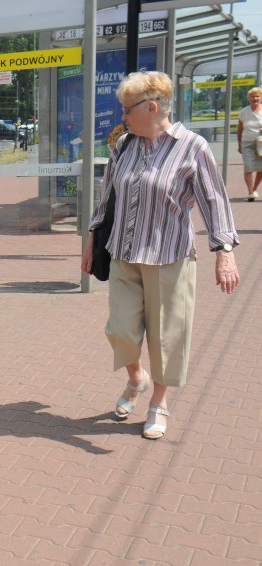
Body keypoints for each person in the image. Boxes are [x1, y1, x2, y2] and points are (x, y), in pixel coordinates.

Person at [81, 71, 240, 440]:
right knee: (119, 329)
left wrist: (224, 251)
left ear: (151, 108)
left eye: (127, 109)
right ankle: (136, 378)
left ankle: (159, 403)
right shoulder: (124, 145)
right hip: (123, 251)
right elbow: (108, 197)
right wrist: (92, 239)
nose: (122, 116)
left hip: (170, 256)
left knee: (167, 337)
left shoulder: (192, 147)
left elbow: (213, 200)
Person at [236, 87, 262, 201]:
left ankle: (255, 189)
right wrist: (239, 144)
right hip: (247, 142)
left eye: (257, 96)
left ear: (260, 97)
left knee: (260, 169)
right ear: (249, 98)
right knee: (248, 167)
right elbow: (239, 129)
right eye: (253, 96)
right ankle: (250, 192)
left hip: (261, 143)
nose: (255, 98)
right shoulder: (244, 112)